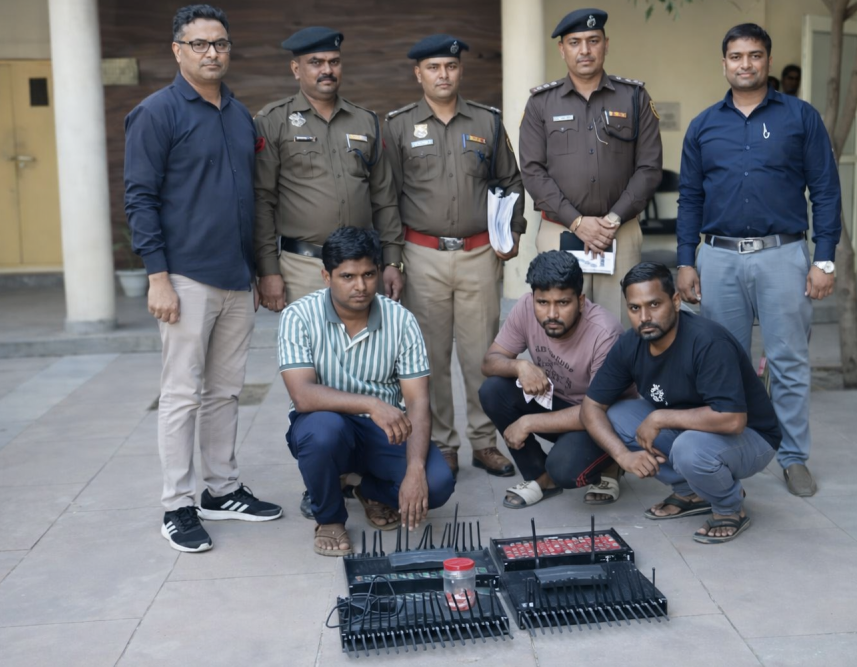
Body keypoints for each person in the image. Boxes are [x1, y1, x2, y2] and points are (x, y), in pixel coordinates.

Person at [124, 4, 283, 553]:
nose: (211, 52)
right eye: (199, 44)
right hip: (185, 277)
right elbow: (140, 199)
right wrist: (157, 277)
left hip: (236, 278)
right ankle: (178, 505)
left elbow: (252, 200)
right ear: (177, 50)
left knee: (225, 392)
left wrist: (260, 270)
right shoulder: (156, 113)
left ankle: (222, 489)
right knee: (181, 394)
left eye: (219, 43)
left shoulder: (238, 115)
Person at [675, 23, 841, 497]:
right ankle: (724, 452)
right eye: (736, 56)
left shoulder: (800, 117)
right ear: (724, 63)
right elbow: (690, 197)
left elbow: (826, 190)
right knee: (720, 364)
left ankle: (793, 457)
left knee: (788, 361)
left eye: (754, 55)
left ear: (767, 60)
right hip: (719, 257)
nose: (745, 64)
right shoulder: (704, 126)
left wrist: (824, 259)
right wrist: (686, 260)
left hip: (782, 255)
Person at [384, 34, 525, 478]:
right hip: (421, 255)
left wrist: (513, 231)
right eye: (433, 68)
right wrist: (391, 258)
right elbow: (386, 196)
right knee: (430, 358)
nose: (442, 75)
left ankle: (484, 442)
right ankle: (442, 442)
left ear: (460, 70)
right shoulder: (398, 126)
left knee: (481, 354)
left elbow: (511, 180)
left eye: (450, 66)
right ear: (418, 74)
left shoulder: (486, 121)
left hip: (479, 253)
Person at [278, 227, 455, 556]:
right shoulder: (298, 317)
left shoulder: (401, 321)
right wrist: (372, 404)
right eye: (347, 276)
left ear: (379, 272)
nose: (360, 286)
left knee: (438, 485)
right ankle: (330, 518)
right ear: (326, 277)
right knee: (322, 431)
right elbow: (302, 395)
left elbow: (417, 401)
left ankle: (367, 489)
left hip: (385, 430)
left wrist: (415, 470)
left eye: (368, 274)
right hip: (328, 425)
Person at [580, 263, 782, 544]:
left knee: (689, 449)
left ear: (675, 301)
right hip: (692, 430)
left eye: (654, 304)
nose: (645, 317)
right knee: (617, 415)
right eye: (635, 308)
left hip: (752, 437)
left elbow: (733, 419)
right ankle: (691, 492)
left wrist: (659, 418)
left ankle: (729, 507)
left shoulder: (708, 342)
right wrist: (621, 456)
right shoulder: (630, 344)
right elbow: (591, 407)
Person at [519, 8, 663, 326]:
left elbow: (650, 167)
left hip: (620, 231)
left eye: (593, 41)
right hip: (560, 231)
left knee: (619, 327)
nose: (584, 50)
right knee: (561, 327)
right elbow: (532, 171)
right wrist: (577, 222)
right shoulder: (541, 103)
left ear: (606, 45)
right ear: (562, 49)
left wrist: (612, 219)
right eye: (575, 42)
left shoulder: (634, 97)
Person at [254, 26, 405, 309]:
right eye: (316, 62)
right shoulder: (273, 120)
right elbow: (262, 200)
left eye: (334, 62)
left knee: (365, 338)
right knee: (309, 339)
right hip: (303, 267)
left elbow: (384, 199)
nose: (327, 70)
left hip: (362, 266)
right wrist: (268, 269)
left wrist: (393, 261)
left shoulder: (365, 121)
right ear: (296, 69)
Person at [479, 251, 627, 508]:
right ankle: (541, 478)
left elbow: (595, 411)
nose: (552, 313)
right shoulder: (525, 307)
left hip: (602, 418)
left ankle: (610, 463)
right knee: (492, 390)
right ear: (533, 298)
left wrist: (527, 422)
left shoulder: (605, 332)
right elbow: (489, 362)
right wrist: (520, 366)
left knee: (565, 469)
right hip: (560, 405)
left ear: (581, 301)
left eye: (563, 303)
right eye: (542, 302)